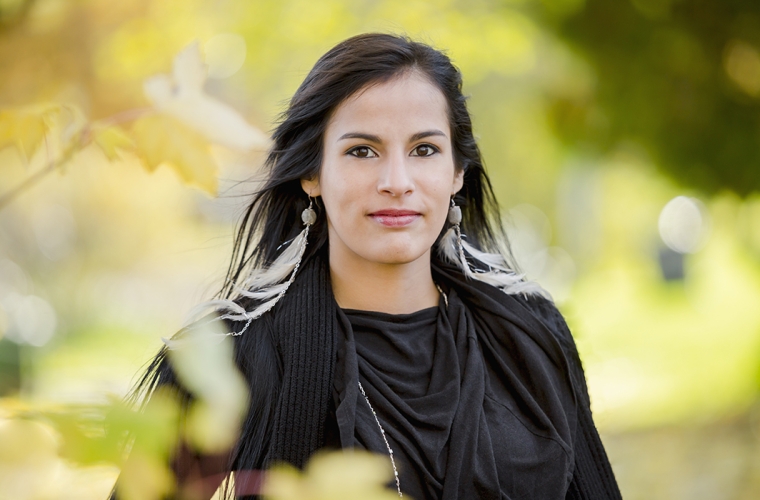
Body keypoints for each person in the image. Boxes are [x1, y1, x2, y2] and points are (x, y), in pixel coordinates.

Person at [114, 33, 622, 499]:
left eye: (424, 149)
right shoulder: (229, 356)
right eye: (362, 151)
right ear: (311, 173)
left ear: (457, 172)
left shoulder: (528, 334)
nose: (397, 180)